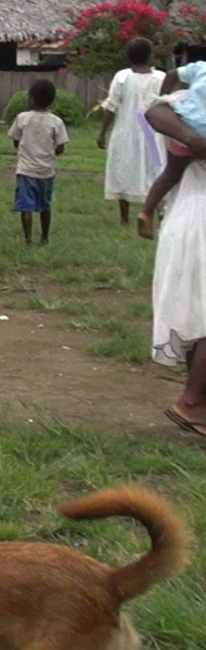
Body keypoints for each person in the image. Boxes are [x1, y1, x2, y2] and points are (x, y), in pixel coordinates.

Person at [143, 89, 206, 435]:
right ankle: (192, 401)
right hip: (198, 221)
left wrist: (190, 137)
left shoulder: (191, 111)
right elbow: (154, 109)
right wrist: (193, 137)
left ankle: (197, 404)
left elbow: (155, 109)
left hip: (187, 218)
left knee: (199, 312)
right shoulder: (193, 116)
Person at [99, 37, 168, 226]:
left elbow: (111, 107)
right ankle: (159, 211)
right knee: (157, 169)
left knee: (124, 168)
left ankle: (124, 218)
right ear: (150, 55)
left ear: (129, 57)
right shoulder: (161, 78)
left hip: (126, 133)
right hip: (153, 134)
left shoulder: (122, 77)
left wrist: (102, 132)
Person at [137, 64, 206, 237]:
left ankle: (147, 211)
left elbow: (172, 75)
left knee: (170, 174)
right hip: (199, 132)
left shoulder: (200, 67)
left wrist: (164, 96)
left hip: (184, 127)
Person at [11, 78, 70, 245]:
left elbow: (15, 141)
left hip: (25, 170)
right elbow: (60, 148)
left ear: (32, 98)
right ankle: (44, 238)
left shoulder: (22, 118)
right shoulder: (56, 121)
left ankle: (28, 239)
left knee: (26, 207)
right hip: (46, 171)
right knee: (45, 206)